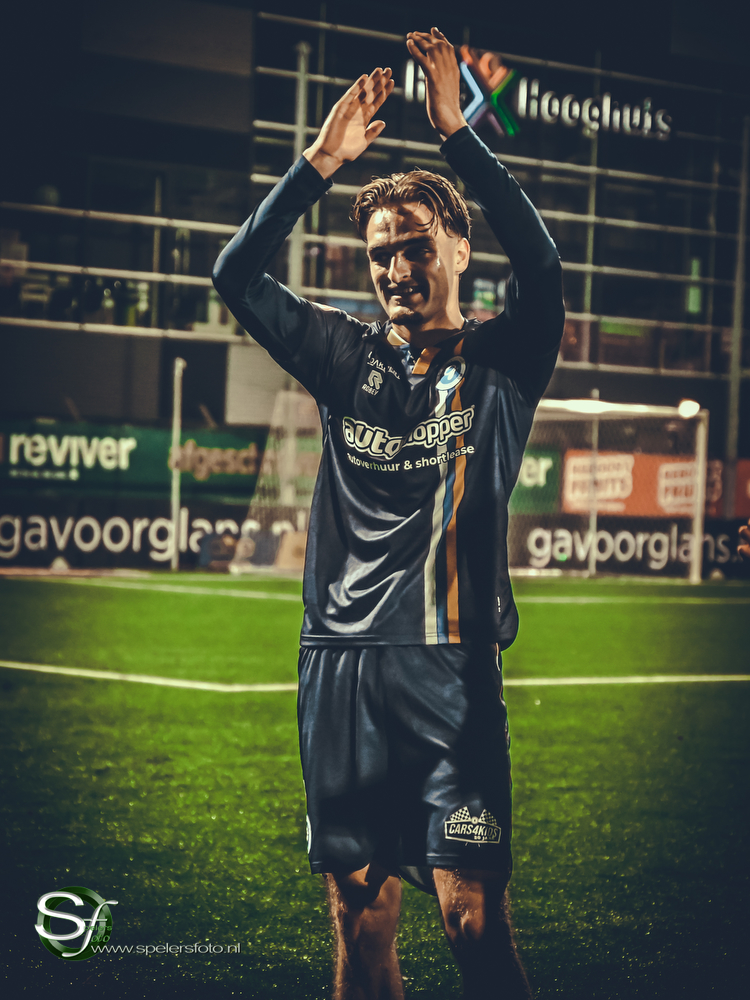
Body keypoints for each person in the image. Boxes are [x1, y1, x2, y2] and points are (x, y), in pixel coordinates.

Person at [213, 27, 564, 999]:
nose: (397, 267)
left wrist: (458, 135)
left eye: (416, 246)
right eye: (381, 253)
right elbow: (234, 275)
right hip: (341, 669)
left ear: (459, 247)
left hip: (451, 675)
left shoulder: (504, 358)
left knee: (472, 919)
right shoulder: (343, 356)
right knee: (357, 926)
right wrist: (319, 163)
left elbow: (544, 269)